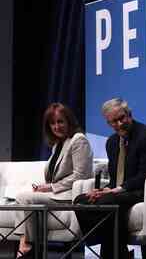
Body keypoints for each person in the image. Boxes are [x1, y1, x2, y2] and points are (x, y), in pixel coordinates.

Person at [74, 98, 146, 259]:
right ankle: (118, 251)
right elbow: (116, 177)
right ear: (108, 123)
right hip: (122, 191)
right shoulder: (111, 142)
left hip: (145, 190)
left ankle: (113, 254)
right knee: (81, 200)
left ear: (129, 114)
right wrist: (103, 190)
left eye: (122, 118)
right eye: (114, 121)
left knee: (107, 202)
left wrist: (115, 190)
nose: (119, 124)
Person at [14, 102, 93, 259]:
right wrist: (44, 187)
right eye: (52, 123)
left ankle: (27, 246)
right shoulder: (58, 144)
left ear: (68, 121)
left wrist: (50, 187)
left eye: (60, 121)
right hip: (58, 193)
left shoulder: (78, 140)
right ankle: (28, 246)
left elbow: (80, 175)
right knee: (21, 197)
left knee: (23, 198)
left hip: (71, 195)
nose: (56, 126)